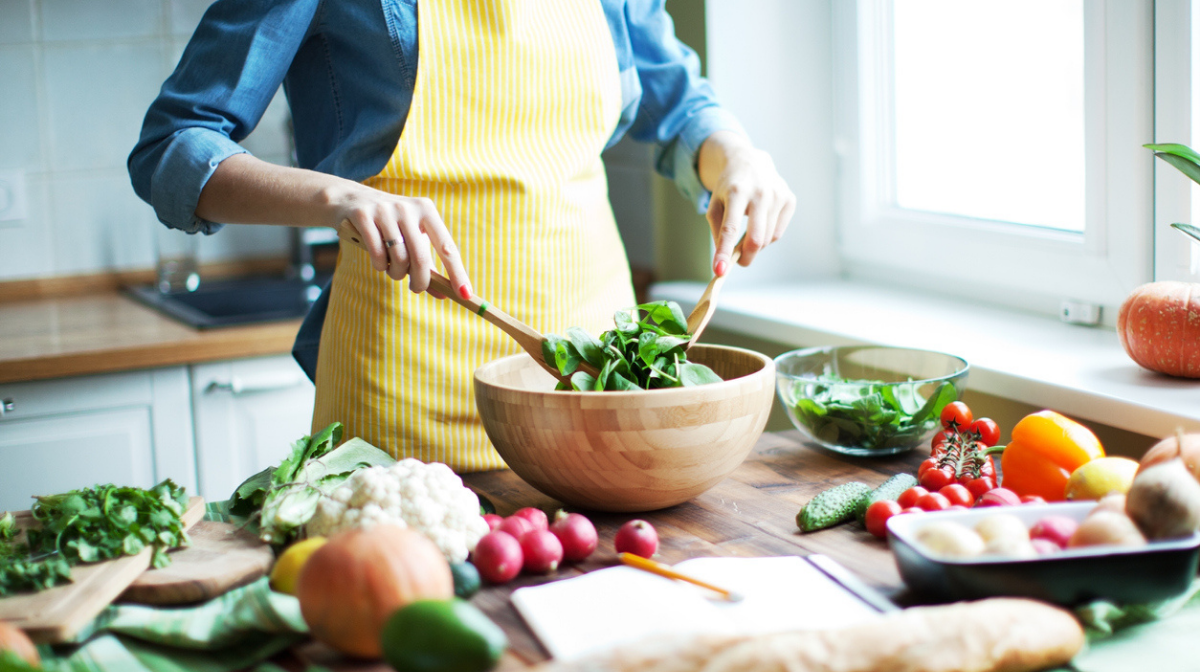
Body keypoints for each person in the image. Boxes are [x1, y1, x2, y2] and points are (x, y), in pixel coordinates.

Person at [129, 0, 794, 471]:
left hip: (599, 387)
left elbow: (676, 102)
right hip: (408, 387)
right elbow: (171, 148)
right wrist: (339, 198)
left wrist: (734, 155)